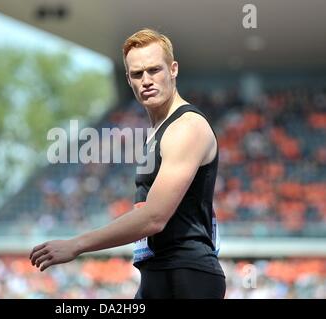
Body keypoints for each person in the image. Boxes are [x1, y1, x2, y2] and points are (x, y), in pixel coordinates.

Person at [30, 28, 226, 299]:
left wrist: (77, 245)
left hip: (186, 275)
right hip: (159, 273)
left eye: (154, 70)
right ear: (128, 79)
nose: (146, 80)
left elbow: (154, 217)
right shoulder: (158, 131)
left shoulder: (187, 127)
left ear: (173, 69)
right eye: (137, 74)